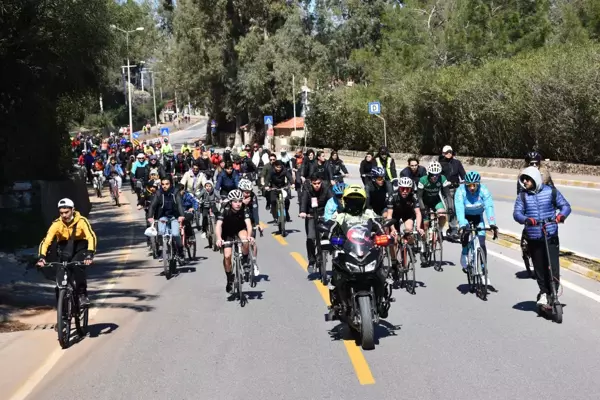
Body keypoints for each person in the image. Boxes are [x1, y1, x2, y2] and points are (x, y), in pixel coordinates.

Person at [327, 184, 390, 318]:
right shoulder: (340, 215)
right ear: (345, 201)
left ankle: (382, 299)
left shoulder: (368, 214)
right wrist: (329, 240)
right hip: (346, 251)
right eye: (351, 200)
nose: (354, 204)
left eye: (358, 201)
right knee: (336, 273)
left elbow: (379, 227)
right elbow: (330, 231)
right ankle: (337, 303)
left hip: (366, 250)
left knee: (382, 272)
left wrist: (384, 236)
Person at [513, 166, 571, 306]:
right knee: (539, 267)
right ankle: (544, 293)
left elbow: (565, 206)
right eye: (523, 179)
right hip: (533, 236)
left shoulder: (551, 192)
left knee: (553, 266)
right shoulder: (522, 196)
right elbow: (517, 213)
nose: (525, 182)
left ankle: (554, 291)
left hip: (550, 234)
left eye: (527, 179)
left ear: (535, 179)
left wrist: (561, 216)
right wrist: (526, 220)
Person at [37, 198, 97, 306]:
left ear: (73, 210)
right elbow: (46, 241)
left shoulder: (82, 221)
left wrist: (89, 254)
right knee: (59, 282)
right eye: (61, 213)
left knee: (77, 266)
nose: (64, 215)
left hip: (80, 247)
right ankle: (63, 314)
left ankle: (82, 295)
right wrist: (42, 257)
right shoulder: (56, 224)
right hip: (64, 249)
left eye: (66, 212)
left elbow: (91, 237)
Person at [455, 171, 498, 287]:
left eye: (474, 185)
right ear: (466, 184)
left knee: (482, 243)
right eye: (469, 185)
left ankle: (484, 272)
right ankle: (464, 252)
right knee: (465, 233)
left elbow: (489, 207)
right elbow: (459, 209)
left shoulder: (484, 190)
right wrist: (462, 225)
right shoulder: (460, 191)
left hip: (478, 217)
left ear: (478, 184)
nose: (472, 188)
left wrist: (493, 224)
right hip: (465, 217)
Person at [216, 189, 255, 293]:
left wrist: (250, 236)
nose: (238, 204)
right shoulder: (225, 209)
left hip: (240, 229)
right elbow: (218, 225)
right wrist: (219, 238)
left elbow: (248, 224)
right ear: (230, 202)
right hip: (227, 232)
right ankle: (229, 278)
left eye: (240, 201)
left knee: (245, 240)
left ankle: (245, 260)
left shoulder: (244, 208)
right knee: (227, 256)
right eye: (235, 201)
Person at [386, 177, 423, 267]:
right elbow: (389, 215)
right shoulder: (392, 196)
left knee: (409, 231)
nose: (405, 191)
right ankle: (394, 262)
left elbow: (418, 213)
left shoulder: (413, 196)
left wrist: (418, 227)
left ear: (411, 189)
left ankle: (410, 248)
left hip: (407, 214)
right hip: (394, 216)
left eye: (407, 189)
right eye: (402, 188)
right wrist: (393, 229)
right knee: (393, 240)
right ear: (399, 188)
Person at [299, 173, 333, 271]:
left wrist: (336, 211)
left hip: (324, 214)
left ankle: (322, 254)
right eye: (315, 183)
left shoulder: (326, 187)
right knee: (310, 238)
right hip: (311, 215)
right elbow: (304, 200)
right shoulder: (307, 188)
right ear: (311, 183)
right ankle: (311, 260)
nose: (317, 185)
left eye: (318, 183)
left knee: (326, 236)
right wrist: (302, 212)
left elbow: (332, 200)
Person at [148, 177, 186, 260]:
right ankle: (164, 251)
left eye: (167, 184)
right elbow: (152, 206)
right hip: (162, 217)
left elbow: (179, 204)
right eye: (163, 184)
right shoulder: (158, 193)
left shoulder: (175, 192)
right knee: (161, 233)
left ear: (171, 184)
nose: (164, 186)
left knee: (175, 234)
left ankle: (180, 251)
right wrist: (150, 217)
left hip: (174, 216)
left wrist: (181, 215)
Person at [417, 160, 451, 239]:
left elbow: (448, 195)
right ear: (429, 173)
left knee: (442, 215)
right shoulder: (423, 180)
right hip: (424, 202)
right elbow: (419, 197)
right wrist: (422, 208)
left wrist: (450, 207)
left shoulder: (442, 178)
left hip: (436, 200)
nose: (435, 177)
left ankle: (439, 231)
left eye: (437, 175)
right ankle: (424, 242)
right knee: (426, 223)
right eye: (432, 175)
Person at [438, 145, 466, 238]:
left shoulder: (457, 163)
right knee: (451, 208)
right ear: (443, 153)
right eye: (446, 152)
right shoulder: (440, 164)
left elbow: (463, 175)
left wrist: (467, 181)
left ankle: (456, 227)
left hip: (457, 188)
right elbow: (438, 177)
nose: (448, 153)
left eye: (450, 151)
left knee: (459, 208)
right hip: (446, 190)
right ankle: (453, 228)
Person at [239, 178, 261, 273]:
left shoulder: (253, 197)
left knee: (252, 242)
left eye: (249, 192)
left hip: (250, 221)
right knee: (243, 241)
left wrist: (257, 224)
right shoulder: (237, 197)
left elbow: (255, 211)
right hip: (239, 221)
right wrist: (242, 204)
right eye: (245, 192)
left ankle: (254, 262)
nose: (247, 194)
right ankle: (241, 254)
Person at [264, 160, 293, 224]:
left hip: (283, 187)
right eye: (277, 167)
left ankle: (286, 212)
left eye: (280, 167)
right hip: (274, 187)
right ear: (275, 166)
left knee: (287, 200)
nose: (279, 169)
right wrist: (266, 186)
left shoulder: (284, 170)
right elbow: (267, 178)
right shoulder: (271, 171)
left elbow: (289, 176)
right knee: (273, 201)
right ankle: (275, 218)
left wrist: (292, 183)